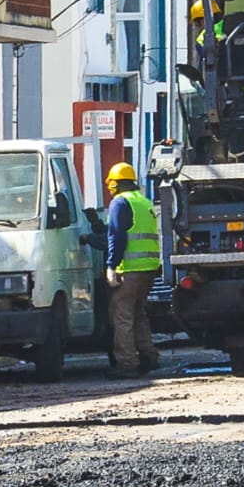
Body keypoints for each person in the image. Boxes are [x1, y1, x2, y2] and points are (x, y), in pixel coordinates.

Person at [100, 161, 161, 378]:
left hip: (131, 270)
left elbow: (117, 236)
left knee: (122, 316)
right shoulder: (144, 202)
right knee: (138, 313)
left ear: (117, 184)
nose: (109, 188)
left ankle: (127, 363)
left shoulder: (120, 202)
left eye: (111, 184)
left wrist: (111, 265)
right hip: (149, 268)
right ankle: (149, 355)